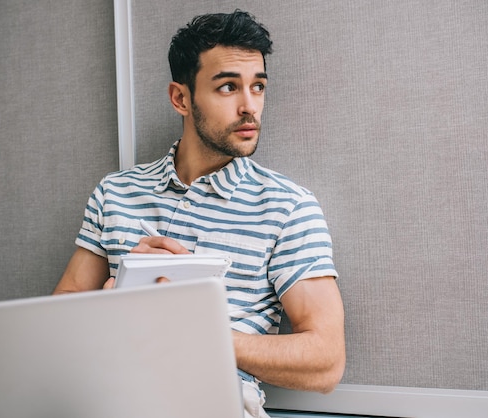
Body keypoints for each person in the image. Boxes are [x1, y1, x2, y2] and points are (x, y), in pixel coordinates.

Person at [53, 10, 345, 418]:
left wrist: (194, 330)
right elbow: (57, 320)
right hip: (101, 395)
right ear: (181, 98)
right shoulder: (115, 193)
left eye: (258, 87)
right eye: (228, 87)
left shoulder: (288, 207)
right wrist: (113, 300)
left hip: (208, 402)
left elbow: (326, 362)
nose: (250, 108)